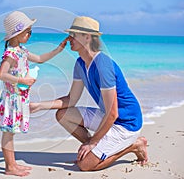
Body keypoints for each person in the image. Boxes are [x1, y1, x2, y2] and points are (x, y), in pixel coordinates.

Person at [30, 16, 148, 171]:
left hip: (127, 123)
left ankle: (134, 145)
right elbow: (70, 100)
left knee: (85, 165)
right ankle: (97, 149)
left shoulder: (103, 66)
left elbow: (113, 113)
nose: (69, 38)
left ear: (87, 37)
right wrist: (39, 106)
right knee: (63, 114)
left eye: (73, 35)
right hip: (109, 118)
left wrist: (93, 143)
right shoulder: (80, 64)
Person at [0, 11, 69, 176]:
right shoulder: (11, 54)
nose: (30, 34)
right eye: (28, 31)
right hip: (11, 99)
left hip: (19, 98)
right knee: (8, 133)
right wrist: (22, 80)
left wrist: (58, 50)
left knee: (11, 132)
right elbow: (1, 74)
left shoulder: (22, 51)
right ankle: (9, 167)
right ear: (17, 33)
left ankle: (12, 164)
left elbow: (41, 58)